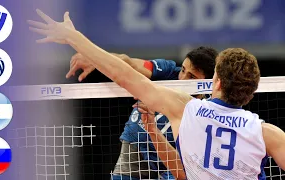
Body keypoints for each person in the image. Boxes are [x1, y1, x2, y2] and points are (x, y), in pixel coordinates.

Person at [28, 10, 285, 179]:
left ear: (215, 81)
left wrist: (73, 37)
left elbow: (123, 74)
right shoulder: (268, 134)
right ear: (250, 94)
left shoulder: (185, 111)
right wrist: (152, 130)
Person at [66, 48, 217, 179]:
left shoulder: (209, 108)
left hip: (171, 156)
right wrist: (95, 58)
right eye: (183, 70)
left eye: (192, 77)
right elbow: (128, 63)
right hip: (137, 140)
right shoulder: (169, 71)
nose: (183, 78)